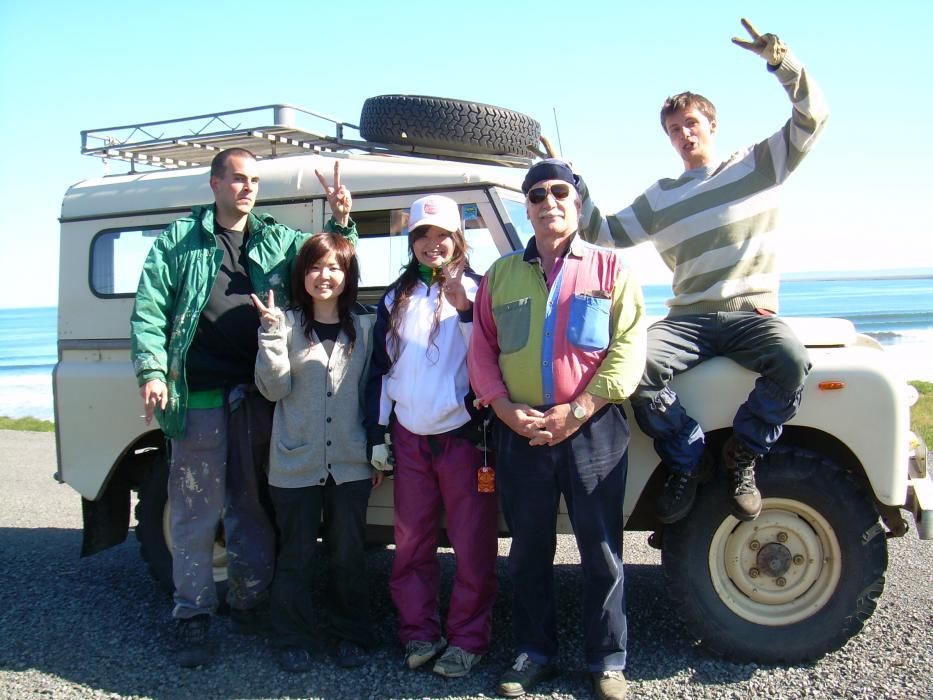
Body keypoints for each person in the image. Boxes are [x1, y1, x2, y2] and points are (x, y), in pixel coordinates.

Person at [577, 18, 830, 524]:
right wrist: (570, 182)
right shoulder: (661, 197)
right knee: (634, 369)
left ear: (712, 124)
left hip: (750, 315)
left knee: (791, 360)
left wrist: (782, 64)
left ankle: (744, 454)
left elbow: (813, 117)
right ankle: (688, 458)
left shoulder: (756, 165)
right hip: (687, 320)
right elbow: (601, 232)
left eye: (691, 123)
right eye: (674, 130)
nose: (683, 134)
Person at [130, 147, 356, 668]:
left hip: (258, 394)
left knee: (252, 506)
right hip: (199, 395)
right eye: (236, 178)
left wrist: (341, 221)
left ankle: (249, 602)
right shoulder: (180, 240)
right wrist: (152, 371)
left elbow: (328, 263)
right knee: (195, 511)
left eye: (253, 179)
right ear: (214, 184)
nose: (247, 187)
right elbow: (150, 308)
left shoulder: (275, 238)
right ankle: (192, 615)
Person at [469, 160, 646, 700]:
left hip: (592, 428)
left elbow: (629, 345)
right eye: (537, 194)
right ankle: (533, 653)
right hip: (520, 430)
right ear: (526, 208)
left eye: (560, 192)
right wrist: (503, 409)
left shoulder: (610, 269)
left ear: (578, 203)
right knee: (527, 550)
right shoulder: (500, 275)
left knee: (601, 549)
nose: (549, 201)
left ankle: (607, 660)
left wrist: (580, 409)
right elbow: (481, 349)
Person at [364, 194, 499, 679]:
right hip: (409, 437)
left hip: (464, 438)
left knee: (473, 545)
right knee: (411, 543)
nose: (433, 244)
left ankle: (468, 639)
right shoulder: (394, 296)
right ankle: (418, 632)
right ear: (412, 240)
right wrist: (378, 434)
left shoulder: (480, 288)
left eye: (443, 235)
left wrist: (464, 310)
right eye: (423, 235)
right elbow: (382, 369)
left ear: (459, 238)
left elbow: (490, 358)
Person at [252, 233, 382, 673]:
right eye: (314, 267)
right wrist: (271, 336)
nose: (324, 276)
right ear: (302, 274)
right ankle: (293, 638)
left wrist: (376, 451)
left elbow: (372, 394)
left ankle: (352, 634)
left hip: (351, 461)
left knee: (349, 554)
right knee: (296, 555)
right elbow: (273, 390)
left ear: (348, 275)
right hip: (295, 459)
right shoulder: (284, 323)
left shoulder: (366, 325)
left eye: (334, 267)